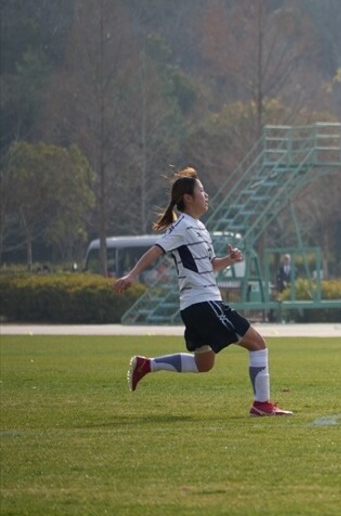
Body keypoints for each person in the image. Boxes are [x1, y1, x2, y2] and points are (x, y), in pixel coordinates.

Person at [114, 167, 292, 417]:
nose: (206, 195)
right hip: (204, 303)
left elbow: (207, 266)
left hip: (195, 305)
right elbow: (156, 249)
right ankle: (261, 405)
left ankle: (146, 365)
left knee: (203, 364)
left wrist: (228, 260)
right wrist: (132, 274)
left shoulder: (199, 227)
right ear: (188, 198)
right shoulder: (182, 227)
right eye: (201, 190)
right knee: (258, 344)